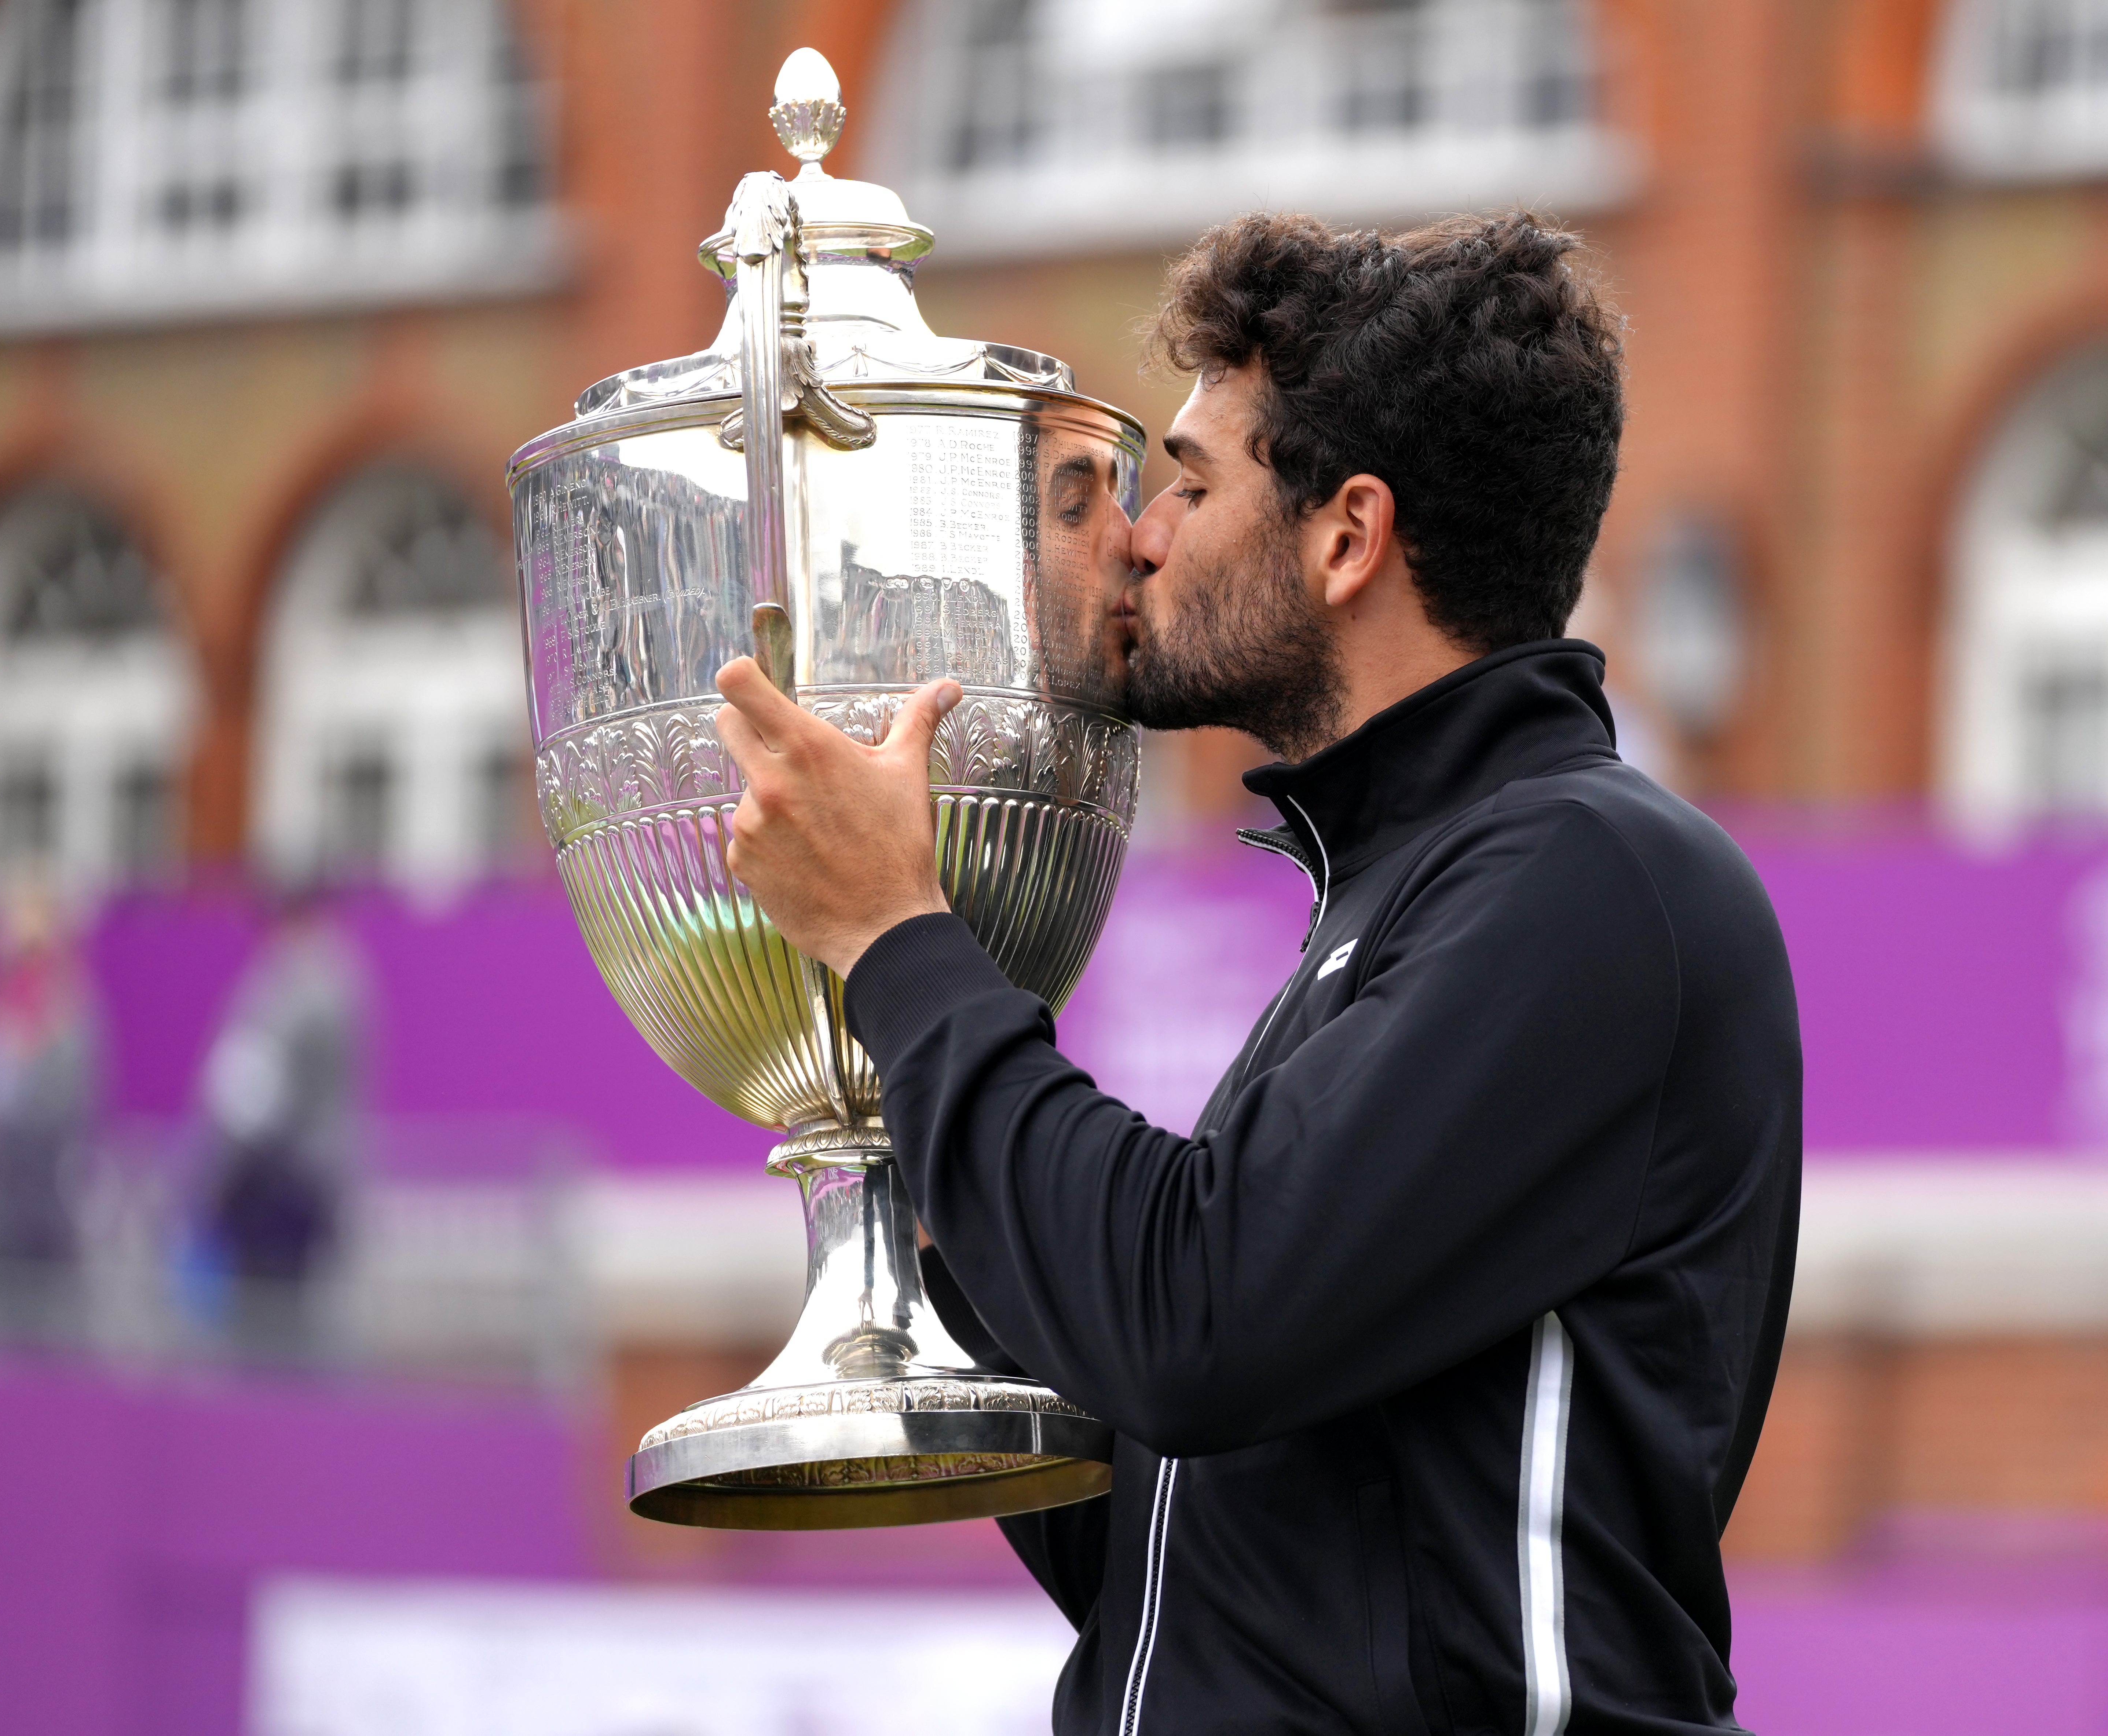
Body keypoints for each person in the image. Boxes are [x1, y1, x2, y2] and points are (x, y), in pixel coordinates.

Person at [711, 211, 1802, 1736]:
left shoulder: (1591, 878)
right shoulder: (1407, 893)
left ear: (1347, 536)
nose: (1142, 534)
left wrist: (902, 943)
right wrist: (897, 1156)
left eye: (1190, 481)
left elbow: (1194, 1321)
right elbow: (1178, 1535)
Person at [196, 884, 366, 1359]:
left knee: (268, 1333)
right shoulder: (339, 981)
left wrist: (216, 1183)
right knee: (289, 1324)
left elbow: (253, 1094)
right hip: (308, 1181)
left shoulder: (300, 988)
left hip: (282, 1186)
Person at [0, 871, 101, 1338]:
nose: (5, 932)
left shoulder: (66, 1008)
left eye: (21, 918)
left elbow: (52, 1110)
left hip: (43, 1218)